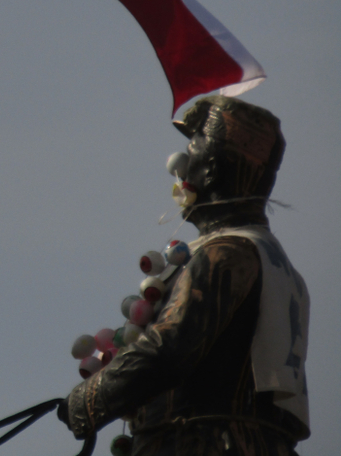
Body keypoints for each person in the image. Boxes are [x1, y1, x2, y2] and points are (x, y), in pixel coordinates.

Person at [59, 96, 310, 455]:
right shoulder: (277, 264)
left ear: (209, 172)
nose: (179, 170)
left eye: (191, 154)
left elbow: (169, 348)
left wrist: (87, 400)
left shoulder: (225, 253)